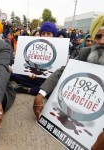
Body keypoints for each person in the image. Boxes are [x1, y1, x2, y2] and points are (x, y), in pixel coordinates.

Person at [33, 13, 104, 149]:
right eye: (98, 36)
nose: (101, 42)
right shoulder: (84, 53)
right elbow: (62, 72)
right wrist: (41, 94)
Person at [11, 21, 57, 95]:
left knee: (52, 87)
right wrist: (30, 72)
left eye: (49, 33)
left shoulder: (58, 48)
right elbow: (29, 62)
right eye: (43, 33)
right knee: (16, 73)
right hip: (34, 76)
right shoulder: (35, 45)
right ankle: (34, 88)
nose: (45, 35)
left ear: (53, 35)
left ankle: (28, 89)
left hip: (46, 79)